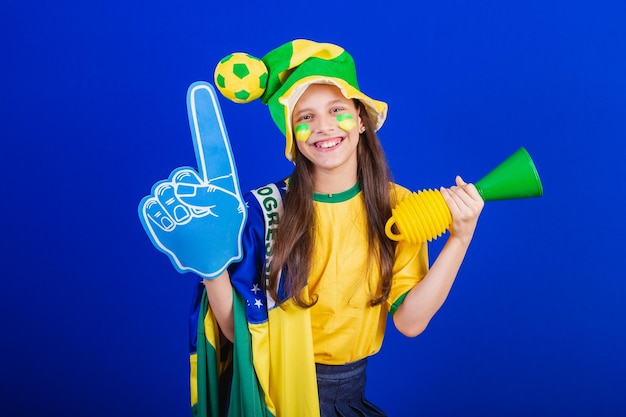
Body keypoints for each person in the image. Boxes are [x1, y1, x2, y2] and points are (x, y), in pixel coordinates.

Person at [188, 39, 484, 417]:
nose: (323, 127)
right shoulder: (262, 211)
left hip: (349, 397)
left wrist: (461, 237)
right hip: (275, 395)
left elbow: (410, 321)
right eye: (305, 117)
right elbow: (236, 333)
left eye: (336, 109)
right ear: (292, 135)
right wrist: (211, 264)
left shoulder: (398, 205)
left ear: (361, 119)